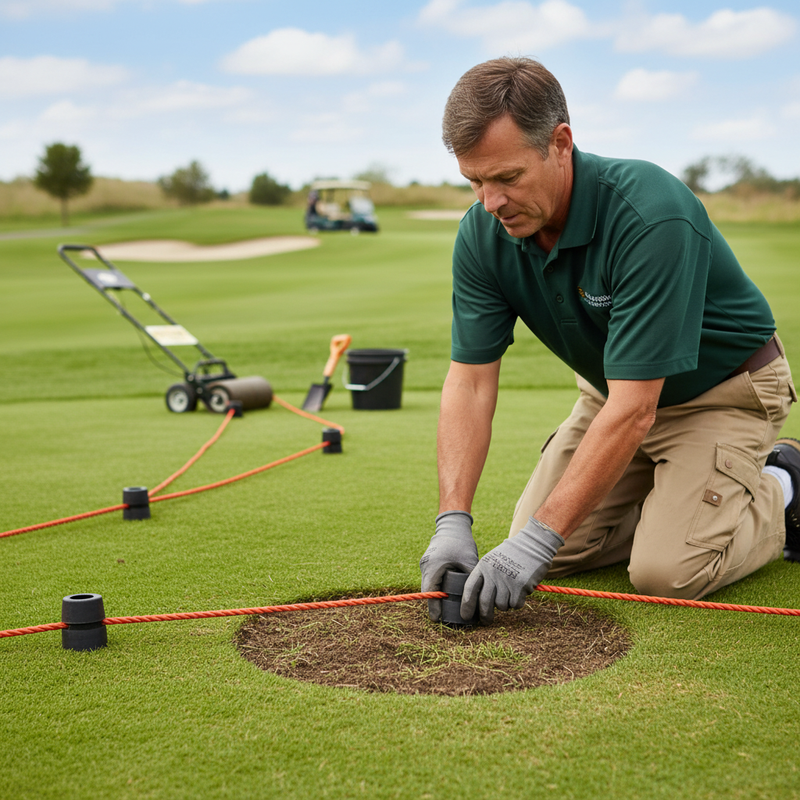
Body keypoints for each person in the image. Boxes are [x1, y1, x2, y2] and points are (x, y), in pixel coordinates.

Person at [419, 57, 799, 625]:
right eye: (474, 181)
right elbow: (470, 382)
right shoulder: (482, 233)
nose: (490, 202)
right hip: (612, 398)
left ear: (561, 143)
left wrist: (538, 539)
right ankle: (674, 506)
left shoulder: (651, 214)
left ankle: (784, 482)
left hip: (722, 394)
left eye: (508, 178)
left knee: (666, 572)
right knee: (548, 549)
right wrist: (452, 520)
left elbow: (636, 407)